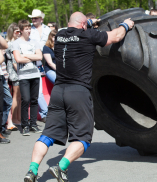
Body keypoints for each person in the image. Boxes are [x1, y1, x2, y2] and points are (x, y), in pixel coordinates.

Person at [23, 12, 134, 182]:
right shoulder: (88, 35)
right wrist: (126, 24)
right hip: (78, 91)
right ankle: (61, 167)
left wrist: (89, 22)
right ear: (84, 25)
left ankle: (32, 170)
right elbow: (116, 36)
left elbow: (78, 27)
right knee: (83, 138)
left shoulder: (59, 35)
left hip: (58, 91)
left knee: (47, 135)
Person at [12, 19, 42, 135]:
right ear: (21, 31)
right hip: (24, 75)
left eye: (29, 28)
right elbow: (18, 59)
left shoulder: (34, 42)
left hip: (35, 73)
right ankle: (25, 125)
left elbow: (39, 57)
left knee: (34, 100)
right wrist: (32, 56)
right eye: (26, 29)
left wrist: (25, 55)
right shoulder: (16, 43)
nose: (29, 30)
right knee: (26, 99)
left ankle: (33, 124)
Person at [28, 9, 51, 123]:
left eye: (35, 18)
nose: (33, 20)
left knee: (40, 87)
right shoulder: (29, 29)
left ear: (41, 19)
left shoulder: (47, 29)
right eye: (32, 18)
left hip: (46, 60)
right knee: (38, 89)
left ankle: (46, 112)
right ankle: (44, 113)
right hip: (34, 60)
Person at [6, 23, 22, 127]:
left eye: (20, 31)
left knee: (19, 96)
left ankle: (18, 118)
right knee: (16, 96)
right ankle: (14, 118)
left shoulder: (16, 43)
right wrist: (21, 72)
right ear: (12, 32)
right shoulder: (10, 44)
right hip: (15, 71)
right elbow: (14, 61)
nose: (19, 33)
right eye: (17, 32)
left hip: (18, 70)